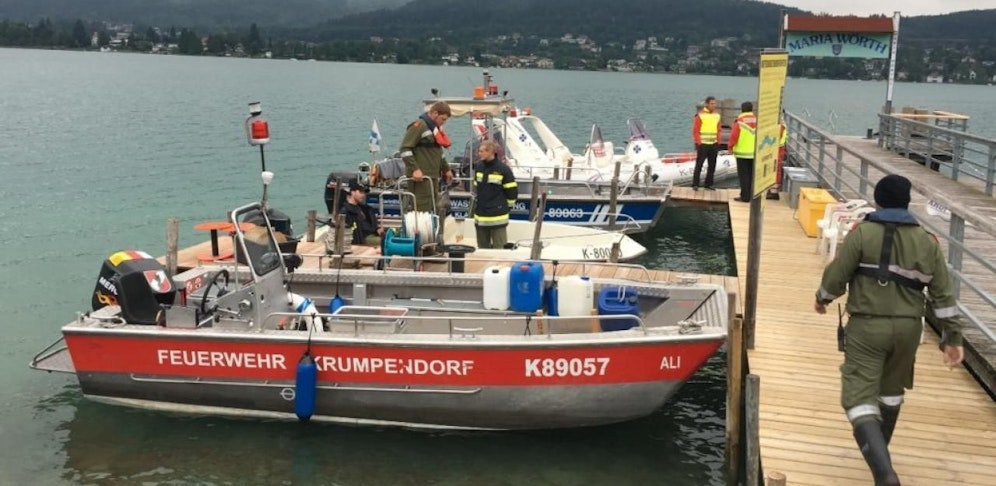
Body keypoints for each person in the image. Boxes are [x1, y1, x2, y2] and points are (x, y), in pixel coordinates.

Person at [814, 174, 964, 486]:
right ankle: (880, 458)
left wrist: (823, 299)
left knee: (858, 399)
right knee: (891, 394)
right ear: (907, 203)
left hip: (868, 327)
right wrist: (952, 337)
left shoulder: (862, 233)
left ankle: (884, 474)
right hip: (909, 330)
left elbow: (837, 275)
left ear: (878, 201)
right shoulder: (928, 242)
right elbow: (944, 296)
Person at [399, 101, 454, 217]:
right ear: (435, 113)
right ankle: (420, 233)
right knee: (421, 210)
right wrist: (415, 169)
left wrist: (446, 169)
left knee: (432, 207)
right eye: (443, 119)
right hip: (420, 178)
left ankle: (431, 233)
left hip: (432, 176)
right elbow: (405, 149)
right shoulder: (419, 126)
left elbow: (438, 152)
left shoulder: (435, 129)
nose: (444, 122)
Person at [472, 140, 518, 249]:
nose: (480, 153)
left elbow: (512, 192)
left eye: (482, 151)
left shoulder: (503, 170)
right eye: (479, 151)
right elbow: (476, 189)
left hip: (498, 219)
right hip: (481, 217)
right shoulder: (478, 167)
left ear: (491, 152)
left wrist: (505, 207)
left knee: (500, 250)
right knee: (482, 251)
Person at [728, 101, 756, 202]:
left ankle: (745, 196)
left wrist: (730, 147)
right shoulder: (758, 120)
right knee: (751, 175)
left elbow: (734, 136)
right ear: (751, 109)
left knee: (743, 176)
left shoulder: (739, 121)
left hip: (742, 153)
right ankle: (752, 195)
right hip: (754, 153)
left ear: (742, 109)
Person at [691, 96, 722, 190]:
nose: (714, 105)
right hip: (703, 144)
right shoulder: (700, 115)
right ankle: (695, 184)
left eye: (715, 103)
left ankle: (708, 184)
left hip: (713, 144)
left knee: (712, 165)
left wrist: (718, 141)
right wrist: (698, 142)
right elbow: (695, 130)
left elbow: (719, 129)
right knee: (699, 164)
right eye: (712, 104)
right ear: (707, 104)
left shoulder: (717, 115)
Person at [341, 180, 384, 246]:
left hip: (372, 235)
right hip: (362, 239)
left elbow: (368, 225)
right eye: (361, 192)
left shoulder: (364, 208)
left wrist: (377, 230)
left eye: (364, 193)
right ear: (353, 192)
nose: (363, 195)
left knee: (393, 235)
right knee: (384, 242)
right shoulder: (346, 211)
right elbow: (350, 229)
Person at [767, 115, 788, 200]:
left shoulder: (780, 127)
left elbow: (774, 140)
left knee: (776, 170)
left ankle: (774, 192)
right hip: (779, 149)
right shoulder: (782, 126)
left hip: (777, 150)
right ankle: (772, 190)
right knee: (775, 170)